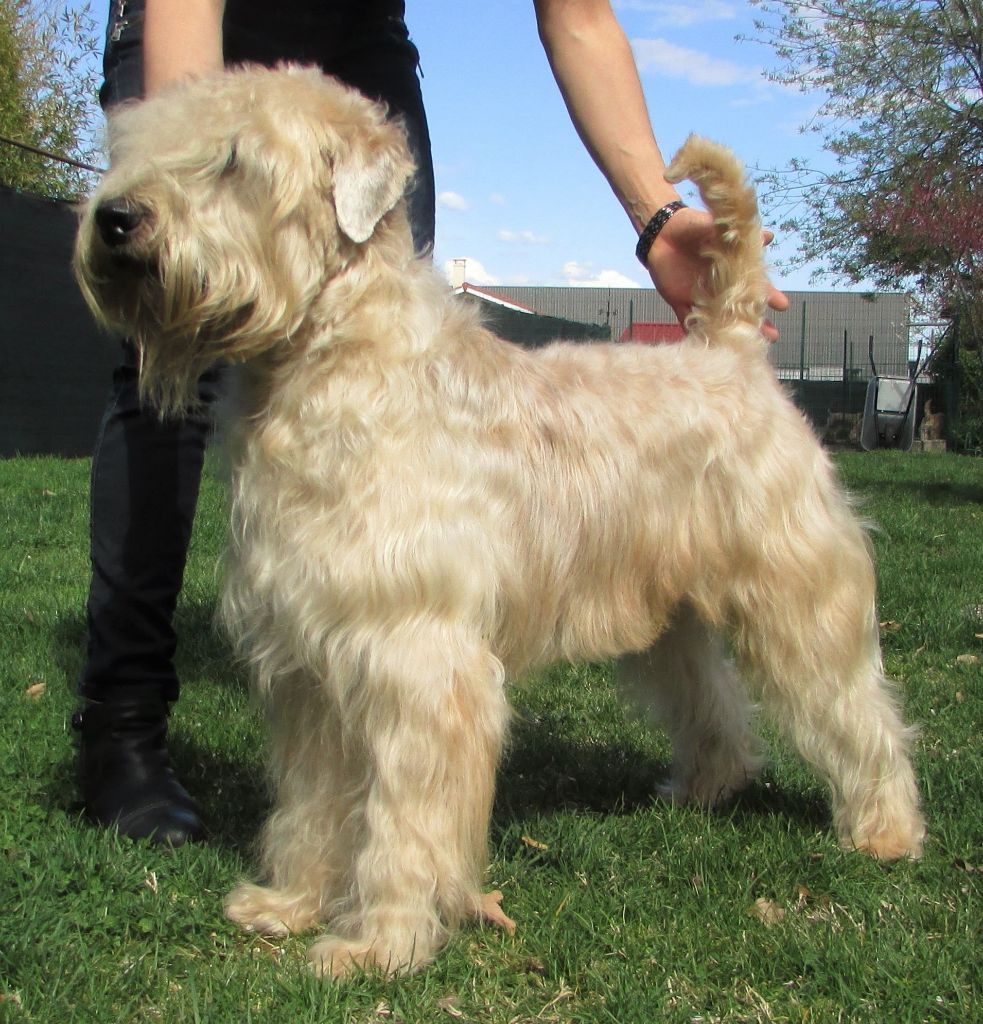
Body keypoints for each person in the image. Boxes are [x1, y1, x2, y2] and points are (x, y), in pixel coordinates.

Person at [75, 0, 789, 846]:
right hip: (191, 26)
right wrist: (182, 168)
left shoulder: (360, 171)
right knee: (163, 403)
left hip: (360, 46)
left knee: (783, 615)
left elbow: (579, 19)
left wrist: (658, 216)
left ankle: (407, 872)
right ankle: (131, 729)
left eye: (232, 171)